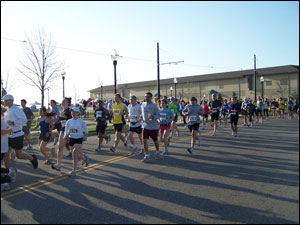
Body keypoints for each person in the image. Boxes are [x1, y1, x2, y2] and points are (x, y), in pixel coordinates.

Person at [2, 94, 38, 170]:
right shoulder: (6, 111)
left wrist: (13, 123)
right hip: (8, 135)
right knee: (6, 154)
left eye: (6, 100)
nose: (4, 102)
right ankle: (8, 172)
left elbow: (24, 120)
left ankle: (32, 158)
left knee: (18, 154)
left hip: (17, 134)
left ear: (11, 101)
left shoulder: (17, 109)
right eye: (4, 100)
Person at [64, 107, 89, 178]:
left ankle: (74, 171)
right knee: (74, 154)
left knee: (75, 153)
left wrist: (85, 135)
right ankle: (84, 158)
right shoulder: (69, 121)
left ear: (78, 113)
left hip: (79, 138)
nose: (73, 113)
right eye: (72, 112)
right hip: (72, 139)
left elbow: (86, 129)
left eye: (74, 112)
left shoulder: (81, 121)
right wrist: (66, 135)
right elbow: (67, 130)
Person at [52, 97, 72, 171]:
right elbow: (61, 122)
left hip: (70, 132)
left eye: (64, 101)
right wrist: (56, 122)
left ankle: (83, 158)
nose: (62, 102)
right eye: (62, 101)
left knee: (74, 149)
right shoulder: (62, 111)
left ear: (68, 103)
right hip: (63, 130)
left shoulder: (69, 111)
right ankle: (59, 164)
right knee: (60, 147)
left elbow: (68, 120)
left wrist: (61, 118)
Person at [141, 92, 160, 163]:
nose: (146, 98)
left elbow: (158, 115)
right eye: (145, 96)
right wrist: (140, 117)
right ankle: (147, 155)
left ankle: (157, 151)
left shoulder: (154, 106)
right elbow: (142, 113)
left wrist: (153, 117)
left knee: (155, 141)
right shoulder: (142, 104)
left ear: (151, 98)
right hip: (145, 126)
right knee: (144, 141)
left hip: (153, 127)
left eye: (148, 97)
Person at [1, 107, 16, 192]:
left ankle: (4, 184)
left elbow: (10, 129)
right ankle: (10, 171)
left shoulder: (2, 122)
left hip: (2, 147)